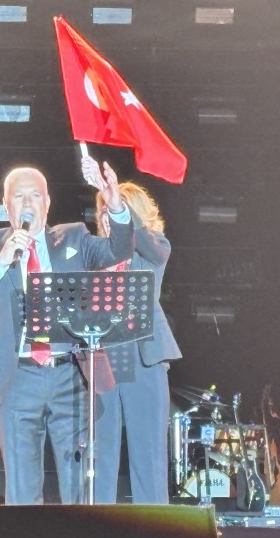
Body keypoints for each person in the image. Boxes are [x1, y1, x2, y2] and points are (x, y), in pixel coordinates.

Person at [0, 163, 134, 505]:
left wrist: (116, 206)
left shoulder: (74, 238)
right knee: (21, 487)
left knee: (78, 484)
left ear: (47, 202)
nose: (27, 203)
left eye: (35, 195)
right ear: (6, 205)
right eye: (19, 196)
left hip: (70, 374)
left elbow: (119, 250)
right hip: (16, 377)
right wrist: (1, 261)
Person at [85, 157, 182, 504]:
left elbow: (144, 242)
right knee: (100, 453)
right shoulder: (95, 253)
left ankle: (153, 528)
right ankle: (98, 526)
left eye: (113, 210)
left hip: (142, 357)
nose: (105, 217)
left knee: (148, 454)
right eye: (103, 211)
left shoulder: (156, 247)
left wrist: (117, 206)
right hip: (102, 359)